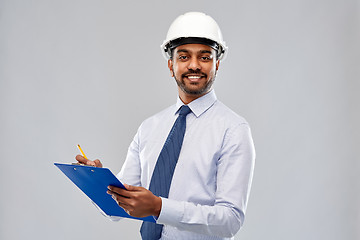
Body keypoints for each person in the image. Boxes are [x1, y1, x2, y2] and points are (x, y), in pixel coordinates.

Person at [76, 12, 255, 240]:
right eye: (183, 57)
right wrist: (98, 182)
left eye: (205, 57)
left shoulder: (234, 129)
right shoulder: (150, 128)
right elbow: (116, 209)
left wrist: (159, 208)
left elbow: (230, 221)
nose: (194, 65)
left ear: (217, 64)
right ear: (171, 65)